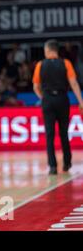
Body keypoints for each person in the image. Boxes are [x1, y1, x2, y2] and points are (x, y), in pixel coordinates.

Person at [32, 39, 83, 175]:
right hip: (62, 99)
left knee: (49, 135)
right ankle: (67, 162)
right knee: (63, 133)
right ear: (57, 50)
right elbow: (74, 83)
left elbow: (35, 86)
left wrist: (43, 97)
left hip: (47, 100)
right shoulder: (66, 63)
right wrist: (81, 101)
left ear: (47, 50)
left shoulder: (40, 65)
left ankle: (53, 166)